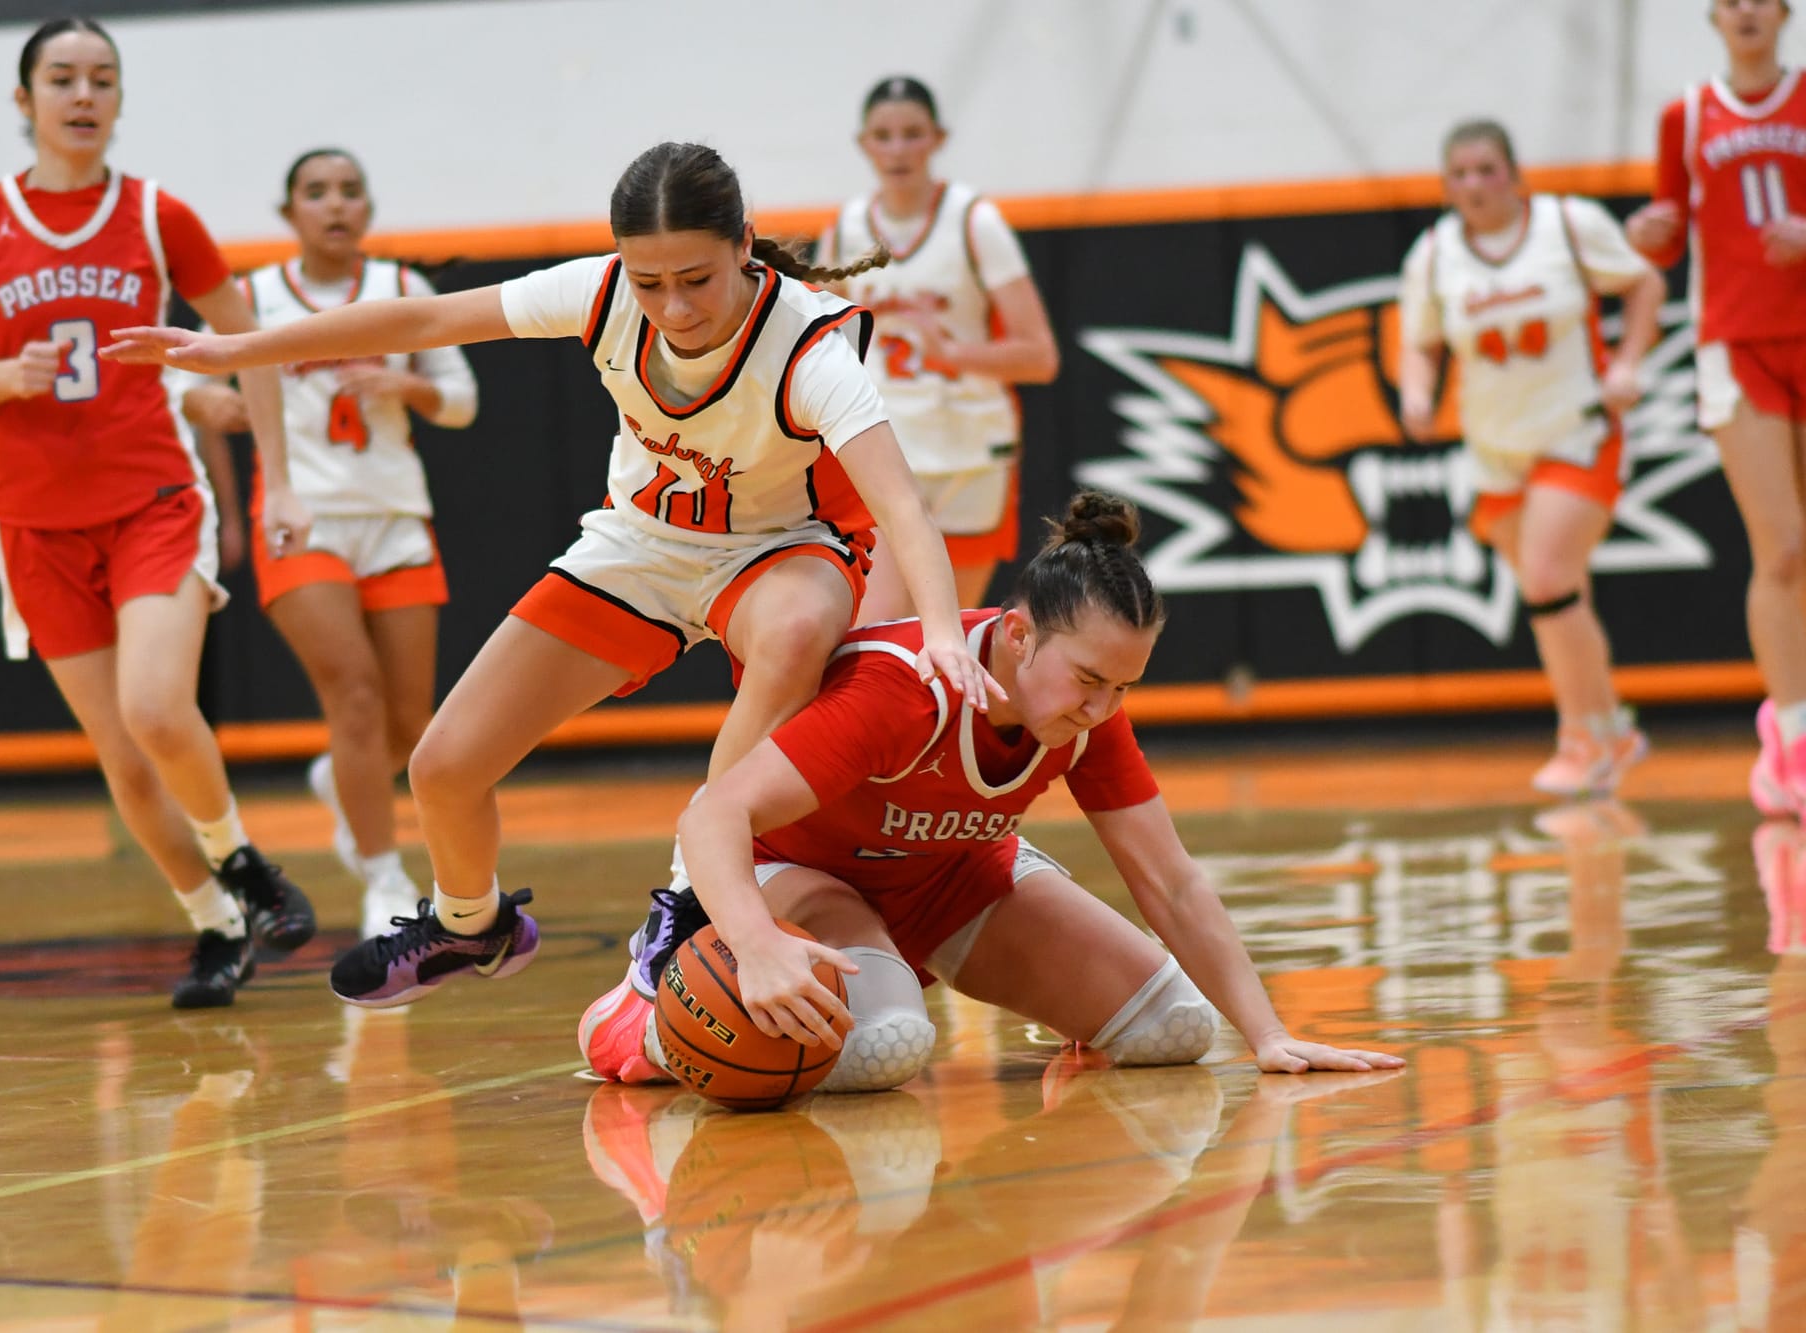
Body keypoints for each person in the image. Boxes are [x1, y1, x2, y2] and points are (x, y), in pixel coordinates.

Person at [105, 141, 999, 1009]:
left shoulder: (808, 345)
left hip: (783, 550)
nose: (674, 306)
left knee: (798, 628)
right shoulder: (601, 293)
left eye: (696, 279)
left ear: (742, 246)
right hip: (641, 543)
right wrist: (237, 350)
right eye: (649, 282)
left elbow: (904, 509)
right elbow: (424, 321)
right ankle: (471, 925)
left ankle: (694, 897)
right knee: (444, 768)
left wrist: (948, 637)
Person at [579, 491, 1407, 1091]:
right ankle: (645, 1014)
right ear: (1016, 634)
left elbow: (1173, 880)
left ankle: (1016, 996)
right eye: (1089, 678)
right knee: (890, 1046)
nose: (1103, 706)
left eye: (1124, 688)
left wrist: (1268, 1035)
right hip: (801, 873)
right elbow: (712, 812)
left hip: (947, 876)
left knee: (1175, 1030)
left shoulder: (1086, 714)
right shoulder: (902, 689)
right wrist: (753, 943)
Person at [0, 17, 315, 1009]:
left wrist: (280, 477)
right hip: (33, 522)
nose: (82, 95)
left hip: (149, 498)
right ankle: (215, 925)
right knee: (125, 764)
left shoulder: (155, 216)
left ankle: (242, 861)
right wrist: (5, 375)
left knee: (154, 706)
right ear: (25, 101)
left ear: (120, 98)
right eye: (61, 78)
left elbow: (247, 342)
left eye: (101, 77)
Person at [172, 148, 477, 938]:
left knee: (411, 727)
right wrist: (211, 399)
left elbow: (463, 402)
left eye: (350, 191)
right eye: (317, 192)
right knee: (355, 694)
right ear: (290, 212)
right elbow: (179, 377)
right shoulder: (251, 295)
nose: (335, 205)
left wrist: (405, 386)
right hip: (300, 514)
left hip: (396, 515)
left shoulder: (405, 289)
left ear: (368, 210)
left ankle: (342, 781)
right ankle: (383, 879)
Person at [1397, 119, 1664, 798]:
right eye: (1460, 173)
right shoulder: (1432, 256)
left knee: (1547, 579)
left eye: (1487, 169)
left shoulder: (1568, 225)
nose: (1475, 184)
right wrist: (1418, 393)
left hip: (1578, 429)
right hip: (1496, 449)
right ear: (1446, 186)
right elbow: (1419, 342)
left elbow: (1644, 285)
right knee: (1557, 597)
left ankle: (1580, 738)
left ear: (1514, 172)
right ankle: (1612, 731)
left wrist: (1629, 362)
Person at [1628, 0, 1806, 817]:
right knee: (1784, 549)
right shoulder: (1686, 115)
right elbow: (1667, 240)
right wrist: (1649, 231)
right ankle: (1792, 741)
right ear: (1713, 16)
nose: (1744, 11)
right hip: (1736, 343)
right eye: (1729, 0)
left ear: (1782, 13)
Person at [820, 76, 1060, 619]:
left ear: (937, 139)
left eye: (912, 134)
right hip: (887, 446)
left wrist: (952, 352)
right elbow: (819, 347)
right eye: (884, 135)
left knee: (943, 637)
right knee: (873, 631)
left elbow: (1040, 356)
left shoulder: (975, 222)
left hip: (969, 454)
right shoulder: (845, 228)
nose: (898, 149)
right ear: (865, 145)